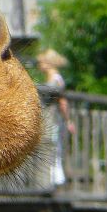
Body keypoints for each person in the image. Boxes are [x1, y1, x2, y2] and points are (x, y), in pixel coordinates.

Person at [37, 48, 75, 187]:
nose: (39, 65)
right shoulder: (51, 79)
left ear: (49, 63)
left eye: (41, 62)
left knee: (54, 148)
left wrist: (68, 120)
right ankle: (52, 180)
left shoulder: (56, 80)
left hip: (53, 119)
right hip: (47, 118)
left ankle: (56, 181)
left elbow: (63, 102)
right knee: (50, 147)